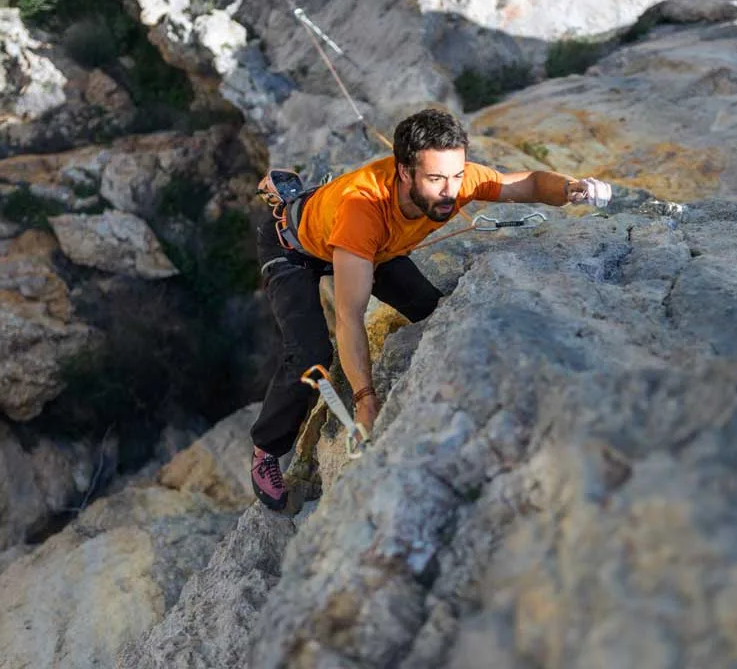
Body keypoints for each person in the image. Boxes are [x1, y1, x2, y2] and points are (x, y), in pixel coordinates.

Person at [250, 108, 612, 510]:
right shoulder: (362, 209)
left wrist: (571, 188)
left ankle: (302, 199)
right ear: (404, 172)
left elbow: (526, 183)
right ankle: (266, 449)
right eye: (436, 179)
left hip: (375, 245)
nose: (451, 191)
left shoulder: (456, 180)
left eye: (457, 175)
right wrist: (366, 399)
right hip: (293, 250)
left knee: (431, 310)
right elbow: (349, 317)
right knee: (310, 354)